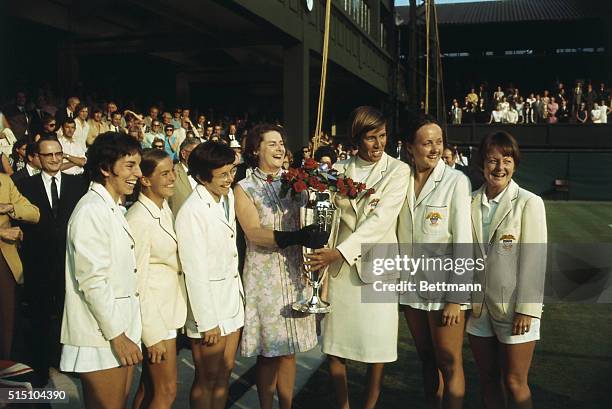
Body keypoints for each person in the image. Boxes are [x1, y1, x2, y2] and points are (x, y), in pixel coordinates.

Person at [308, 106, 411, 409]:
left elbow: (380, 221)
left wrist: (338, 252)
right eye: (370, 138)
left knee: (377, 349)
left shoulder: (398, 170)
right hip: (339, 273)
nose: (379, 144)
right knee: (335, 347)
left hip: (376, 268)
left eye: (382, 136)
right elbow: (326, 217)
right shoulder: (338, 170)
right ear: (357, 139)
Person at [234, 124, 320, 409]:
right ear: (255, 149)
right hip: (264, 276)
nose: (279, 148)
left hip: (295, 272)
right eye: (271, 143)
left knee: (290, 349)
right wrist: (294, 237)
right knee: (270, 351)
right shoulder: (244, 187)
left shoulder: (296, 180)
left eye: (281, 143)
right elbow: (254, 233)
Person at [60, 132, 144, 408]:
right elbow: (92, 281)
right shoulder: (91, 211)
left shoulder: (111, 207)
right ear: (105, 168)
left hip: (119, 329)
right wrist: (117, 336)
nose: (138, 174)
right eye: (130, 165)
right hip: (101, 335)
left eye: (138, 165)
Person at [467, 131, 547, 409]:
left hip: (515, 310)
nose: (499, 167)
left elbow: (535, 259)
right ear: (482, 164)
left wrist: (527, 308)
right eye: (492, 160)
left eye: (507, 160)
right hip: (477, 309)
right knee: (488, 378)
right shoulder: (469, 201)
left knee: (514, 381)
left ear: (515, 164)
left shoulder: (529, 202)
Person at [397, 117, 472, 409]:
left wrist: (456, 298)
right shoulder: (400, 180)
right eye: (427, 142)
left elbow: (464, 242)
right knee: (426, 358)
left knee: (449, 361)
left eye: (439, 142)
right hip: (411, 288)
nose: (434, 149)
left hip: (446, 291)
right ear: (410, 147)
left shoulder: (456, 181)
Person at [176, 142, 245, 409]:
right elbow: (194, 271)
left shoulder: (225, 198)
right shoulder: (192, 211)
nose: (230, 179)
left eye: (232, 172)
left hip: (231, 301)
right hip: (209, 310)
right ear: (203, 177)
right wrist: (207, 322)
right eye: (224, 174)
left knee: (225, 372)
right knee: (207, 376)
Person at [16, 135, 88, 385]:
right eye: (49, 155)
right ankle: (40, 364)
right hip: (38, 260)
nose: (56, 159)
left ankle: (66, 361)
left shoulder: (78, 184)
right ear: (36, 158)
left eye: (59, 154)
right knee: (40, 314)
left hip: (70, 259)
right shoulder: (24, 186)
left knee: (69, 311)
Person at [127, 149, 187, 409]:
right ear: (145, 180)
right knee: (167, 391)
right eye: (164, 174)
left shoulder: (163, 209)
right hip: (155, 320)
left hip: (168, 312)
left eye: (172, 171)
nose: (172, 178)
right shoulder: (138, 219)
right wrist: (152, 336)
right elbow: (136, 282)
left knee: (150, 388)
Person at [0, 171, 40, 362]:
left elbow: (33, 212)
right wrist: (1, 232)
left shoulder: (4, 181)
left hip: (5, 261)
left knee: (6, 322)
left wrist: (10, 207)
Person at [168, 137, 200, 215]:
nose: (200, 156)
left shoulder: (205, 174)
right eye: (196, 153)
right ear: (183, 154)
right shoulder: (171, 173)